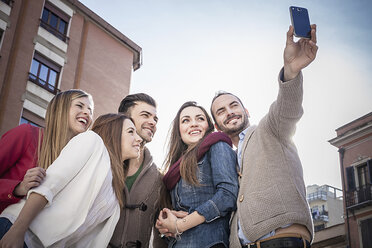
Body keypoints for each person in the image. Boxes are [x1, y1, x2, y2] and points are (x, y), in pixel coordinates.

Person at [210, 25, 318, 248]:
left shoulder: (269, 129)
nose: (229, 112)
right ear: (216, 126)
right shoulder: (225, 158)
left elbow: (287, 108)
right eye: (221, 111)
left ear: (246, 111)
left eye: (233, 105)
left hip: (281, 240)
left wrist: (291, 72)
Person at [0, 103, 142, 246]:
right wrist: (17, 230)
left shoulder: (116, 191)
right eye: (131, 132)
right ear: (113, 133)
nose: (139, 139)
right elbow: (48, 186)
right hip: (18, 232)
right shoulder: (92, 141)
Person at [156, 101, 239, 248]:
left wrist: (180, 225)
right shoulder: (175, 167)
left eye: (200, 118)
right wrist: (166, 225)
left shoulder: (217, 145)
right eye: (186, 120)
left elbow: (228, 195)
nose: (194, 123)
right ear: (179, 130)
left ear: (209, 125)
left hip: (210, 243)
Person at [0, 89, 93, 213]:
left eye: (90, 110)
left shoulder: (77, 160)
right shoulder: (27, 134)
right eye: (79, 106)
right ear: (61, 109)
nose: (87, 113)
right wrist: (19, 188)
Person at [109, 93, 167, 248]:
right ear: (124, 119)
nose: (152, 122)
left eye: (155, 119)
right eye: (145, 115)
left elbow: (161, 236)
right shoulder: (102, 163)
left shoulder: (159, 179)